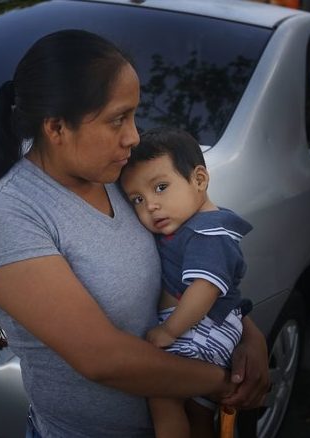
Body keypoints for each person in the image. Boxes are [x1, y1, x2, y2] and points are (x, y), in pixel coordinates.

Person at [0, 29, 269, 437]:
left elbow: (195, 260)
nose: (133, 135)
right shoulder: (10, 212)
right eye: (118, 119)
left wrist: (248, 337)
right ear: (57, 128)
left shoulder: (124, 180)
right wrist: (224, 384)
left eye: (133, 115)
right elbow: (101, 359)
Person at [119, 128, 253, 438]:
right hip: (205, 331)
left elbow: (204, 289)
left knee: (161, 395)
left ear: (199, 180)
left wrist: (169, 331)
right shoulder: (196, 227)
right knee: (198, 412)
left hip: (197, 331)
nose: (150, 205)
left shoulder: (206, 234)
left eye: (161, 187)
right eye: (138, 199)